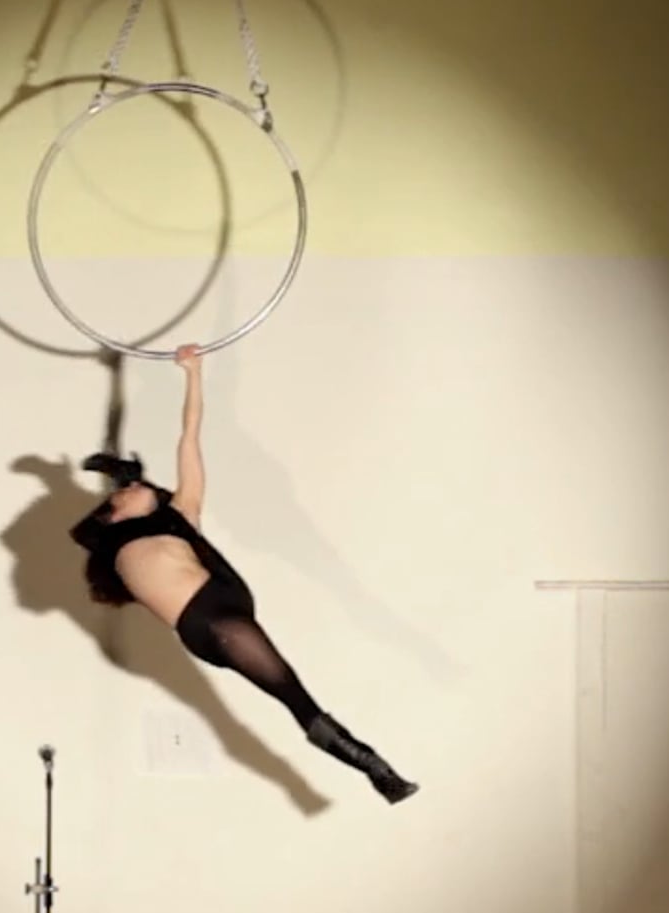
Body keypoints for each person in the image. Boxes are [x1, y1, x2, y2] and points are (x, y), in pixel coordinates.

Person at [70, 344, 418, 804]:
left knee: (292, 695)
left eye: (138, 483)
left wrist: (193, 373)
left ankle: (376, 770)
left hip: (219, 612)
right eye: (129, 487)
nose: (139, 487)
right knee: (284, 695)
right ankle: (371, 770)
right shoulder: (109, 541)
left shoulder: (180, 514)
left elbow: (190, 435)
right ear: (116, 509)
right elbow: (97, 524)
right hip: (202, 622)